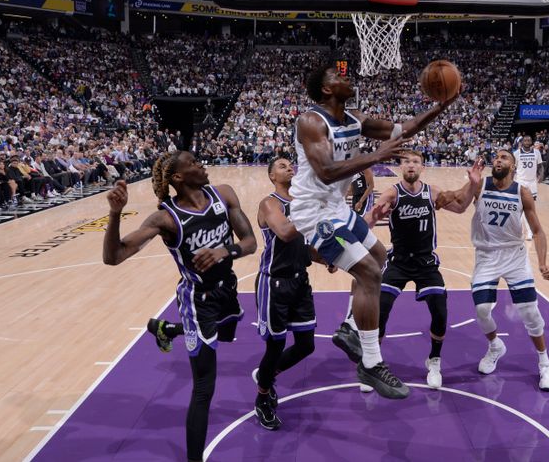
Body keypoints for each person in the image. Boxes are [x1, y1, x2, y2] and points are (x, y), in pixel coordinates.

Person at [290, 64, 456, 399]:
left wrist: (440, 107)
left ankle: (350, 328)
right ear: (325, 90)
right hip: (314, 210)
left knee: (380, 256)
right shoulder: (311, 121)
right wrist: (374, 157)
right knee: (367, 272)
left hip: (337, 207)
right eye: (339, 76)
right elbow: (324, 172)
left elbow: (403, 130)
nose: (347, 78)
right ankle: (371, 361)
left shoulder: (355, 119)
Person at [102, 151, 257, 462]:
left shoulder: (223, 194)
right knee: (204, 389)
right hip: (197, 302)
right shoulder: (165, 218)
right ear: (178, 178)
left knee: (228, 332)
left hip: (227, 289)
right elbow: (114, 256)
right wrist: (116, 214)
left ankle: (167, 329)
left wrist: (223, 251)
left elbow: (251, 241)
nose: (202, 164)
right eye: (194, 163)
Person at [366, 151, 483, 389]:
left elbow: (460, 206)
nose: (411, 165)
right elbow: (368, 220)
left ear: (422, 167)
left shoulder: (433, 193)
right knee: (381, 311)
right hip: (398, 262)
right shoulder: (392, 193)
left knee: (440, 312)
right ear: (400, 167)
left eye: (415, 162)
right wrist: (364, 224)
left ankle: (434, 360)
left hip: (426, 263)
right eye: (406, 162)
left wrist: (472, 184)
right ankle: (372, 364)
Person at [464, 149, 549, 391]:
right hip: (486, 255)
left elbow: (537, 231)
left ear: (513, 167)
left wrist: (542, 262)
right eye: (496, 157)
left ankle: (545, 362)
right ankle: (495, 346)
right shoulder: (480, 185)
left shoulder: (521, 192)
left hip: (514, 255)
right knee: (482, 309)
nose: (498, 159)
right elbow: (458, 201)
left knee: (530, 311)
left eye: (504, 157)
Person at [252, 157, 320, 430]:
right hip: (274, 283)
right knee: (275, 346)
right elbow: (284, 232)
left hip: (299, 281)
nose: (289, 167)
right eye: (281, 166)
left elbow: (303, 245)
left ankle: (265, 376)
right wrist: (313, 208)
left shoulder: (300, 204)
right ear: (271, 176)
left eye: (290, 164)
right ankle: (262, 398)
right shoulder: (269, 203)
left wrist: (327, 259)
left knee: (306, 345)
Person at [513, 135, 543, 241]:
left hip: (532, 183)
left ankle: (529, 231)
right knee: (521, 208)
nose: (527, 141)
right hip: (520, 182)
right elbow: (513, 169)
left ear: (531, 142)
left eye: (529, 140)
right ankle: (522, 231)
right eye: (525, 140)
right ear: (522, 142)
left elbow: (540, 166)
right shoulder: (516, 153)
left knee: (530, 208)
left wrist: (541, 176)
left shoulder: (537, 152)